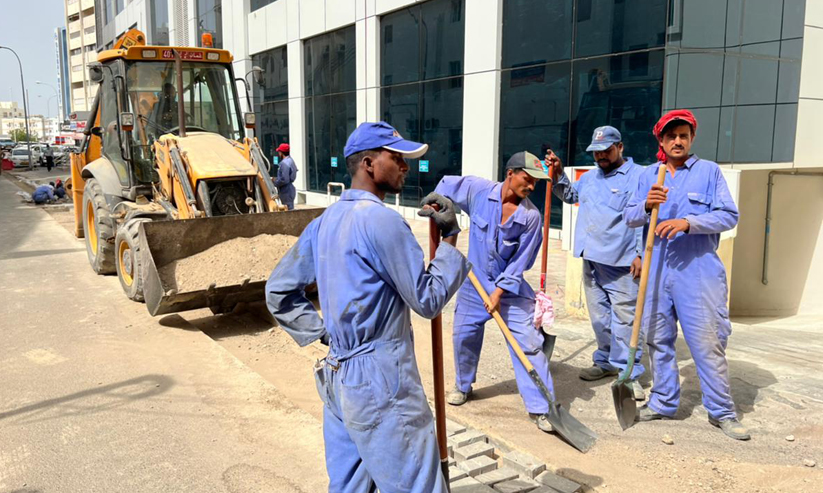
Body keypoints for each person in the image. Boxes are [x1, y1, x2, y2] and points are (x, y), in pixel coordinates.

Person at [266, 121, 469, 492]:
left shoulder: (325, 221)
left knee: (350, 486)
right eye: (398, 158)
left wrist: (325, 335)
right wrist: (451, 237)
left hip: (338, 376)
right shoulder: (382, 221)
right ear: (369, 164)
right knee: (417, 484)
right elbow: (427, 299)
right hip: (380, 382)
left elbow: (278, 290)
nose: (406, 166)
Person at [624, 109, 749, 441]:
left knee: (707, 341)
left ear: (691, 138)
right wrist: (646, 206)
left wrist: (689, 223)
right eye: (670, 136)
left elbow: (728, 215)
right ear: (661, 141)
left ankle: (721, 411)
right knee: (657, 339)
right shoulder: (648, 174)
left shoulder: (708, 172)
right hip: (656, 268)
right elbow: (629, 216)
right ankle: (664, 402)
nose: (677, 141)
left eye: (683, 135)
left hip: (698, 271)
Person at [435, 152, 556, 433]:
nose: (532, 187)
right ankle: (463, 386)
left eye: (537, 182)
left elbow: (521, 261)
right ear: (511, 173)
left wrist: (500, 292)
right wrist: (440, 207)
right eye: (528, 179)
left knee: (528, 344)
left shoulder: (530, 216)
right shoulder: (479, 191)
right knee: (463, 335)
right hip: (473, 284)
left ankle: (542, 407)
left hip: (510, 290)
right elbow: (443, 187)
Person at [550, 126, 646, 400]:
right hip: (591, 259)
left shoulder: (638, 177)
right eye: (597, 152)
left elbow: (644, 217)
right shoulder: (590, 177)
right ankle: (604, 362)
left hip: (623, 263)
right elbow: (570, 195)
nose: (601, 156)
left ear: (621, 147)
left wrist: (640, 254)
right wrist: (558, 173)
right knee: (600, 318)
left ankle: (629, 373)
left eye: (607, 150)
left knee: (626, 321)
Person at [273, 143, 297, 210]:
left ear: (281, 153)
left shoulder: (284, 163)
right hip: (289, 190)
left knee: (286, 210)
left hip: (285, 191)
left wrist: (275, 182)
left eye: (279, 152)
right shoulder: (291, 161)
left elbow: (284, 179)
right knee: (289, 209)